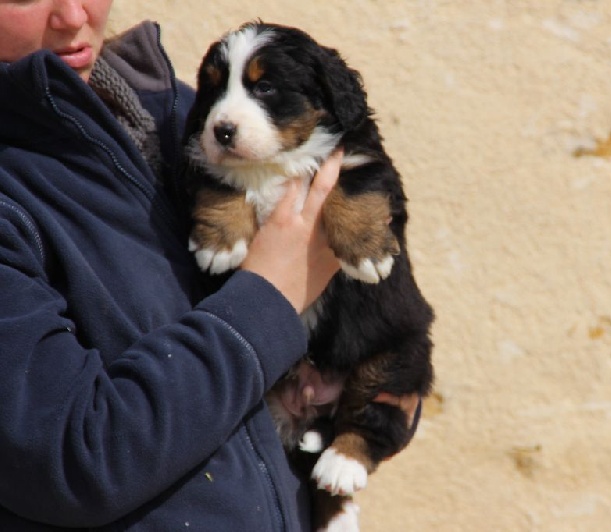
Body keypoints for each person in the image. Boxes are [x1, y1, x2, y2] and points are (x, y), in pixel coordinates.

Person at [0, 1, 418, 530]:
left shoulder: (176, 109)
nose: (72, 13)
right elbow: (70, 462)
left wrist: (369, 406)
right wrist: (268, 299)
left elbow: (386, 303)